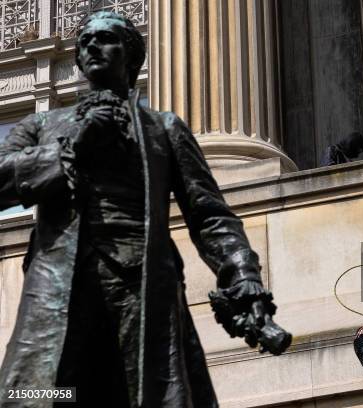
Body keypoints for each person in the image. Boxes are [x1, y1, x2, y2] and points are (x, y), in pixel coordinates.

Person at [0, 12, 289, 408]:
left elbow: (209, 214)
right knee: (41, 394)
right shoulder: (43, 125)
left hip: (142, 284)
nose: (92, 47)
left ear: (131, 57)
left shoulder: (164, 128)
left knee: (147, 395)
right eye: (85, 42)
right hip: (58, 282)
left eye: (106, 39)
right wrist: (68, 150)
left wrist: (243, 275)